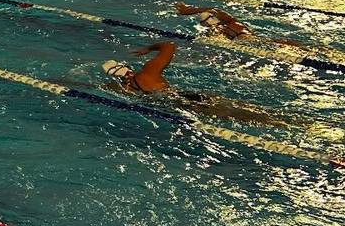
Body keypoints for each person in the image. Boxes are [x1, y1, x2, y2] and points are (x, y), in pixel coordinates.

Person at [102, 41, 301, 128]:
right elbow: (169, 45)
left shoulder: (123, 90)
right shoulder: (148, 71)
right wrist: (148, 48)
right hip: (188, 96)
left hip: (178, 105)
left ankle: (294, 123)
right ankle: (297, 122)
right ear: (127, 68)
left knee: (243, 117)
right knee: (247, 111)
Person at [175, 3, 250, 40]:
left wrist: (186, 11)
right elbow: (214, 10)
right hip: (245, 37)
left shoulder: (228, 22)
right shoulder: (231, 21)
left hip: (242, 37)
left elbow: (213, 10)